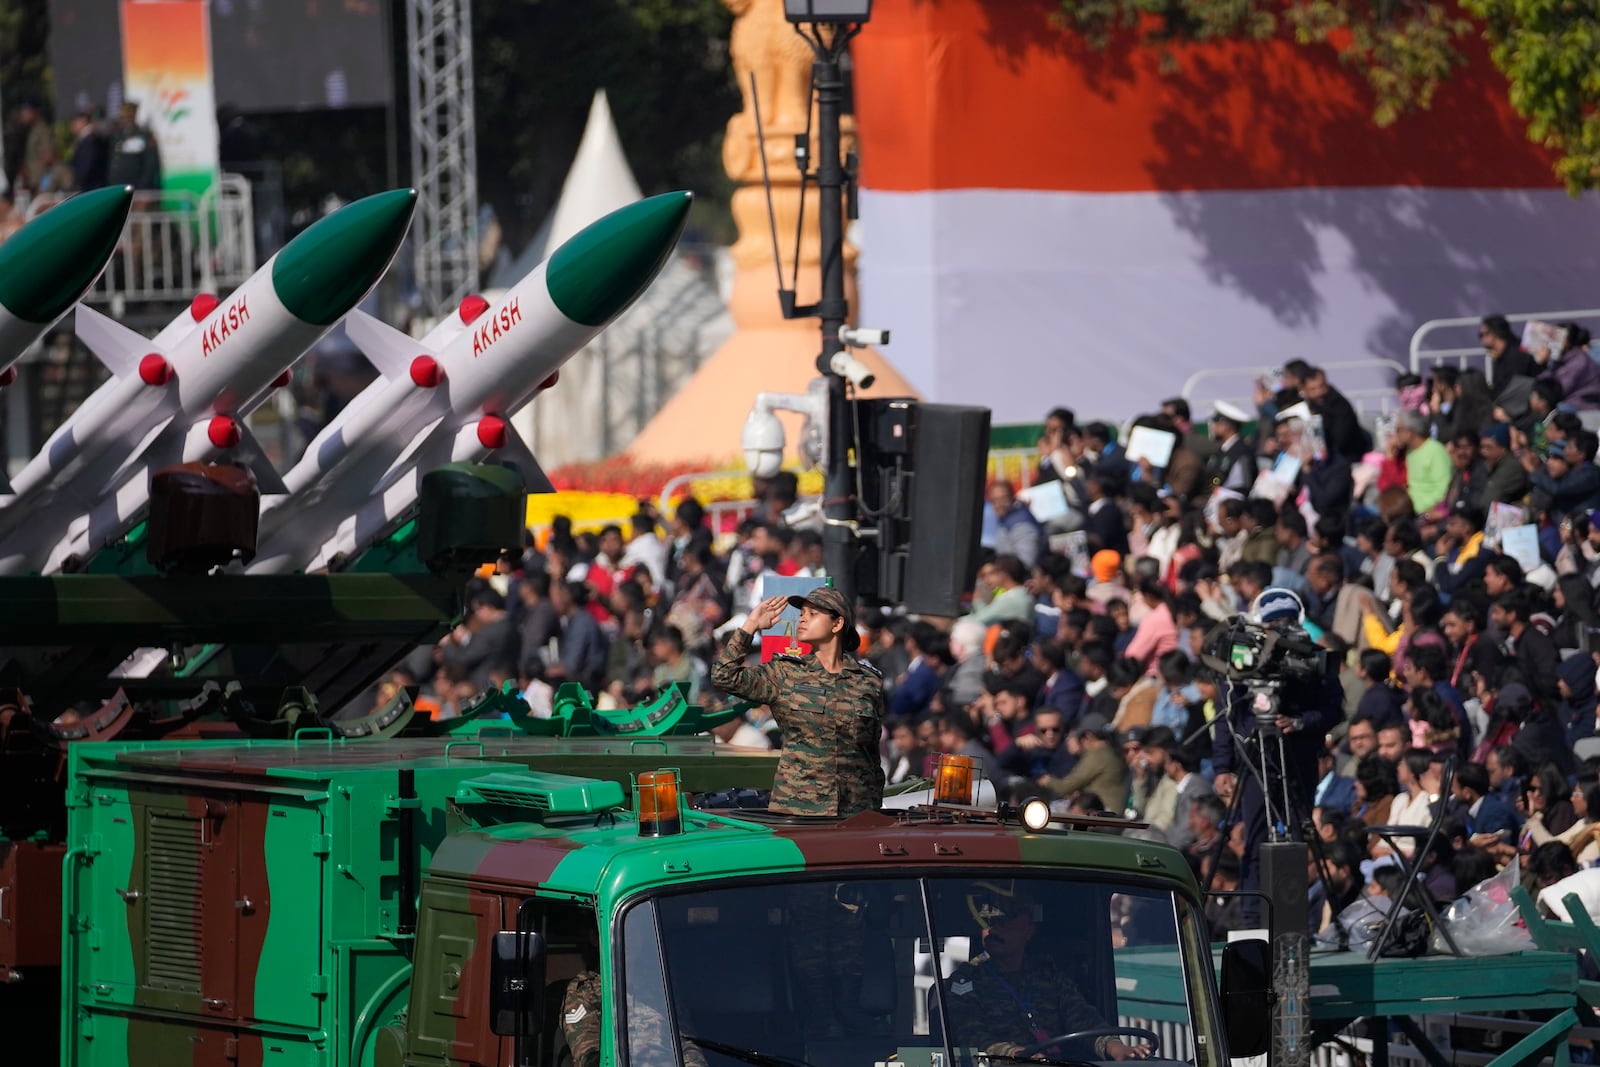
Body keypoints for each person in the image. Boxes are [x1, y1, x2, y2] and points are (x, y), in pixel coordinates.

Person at [710, 587, 885, 815]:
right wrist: (750, 625)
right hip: (799, 810)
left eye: (813, 614)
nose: (802, 618)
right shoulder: (785, 674)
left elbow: (871, 752)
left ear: (837, 624)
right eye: (802, 613)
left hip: (855, 812)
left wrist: (875, 809)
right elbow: (723, 676)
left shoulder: (868, 681)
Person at [942, 884, 1153, 1061]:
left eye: (1004, 920)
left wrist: (1116, 1048)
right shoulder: (966, 980)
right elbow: (972, 1038)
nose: (993, 929)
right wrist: (1016, 1054)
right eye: (987, 921)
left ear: (1029, 930)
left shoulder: (1047, 974)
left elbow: (1083, 1019)